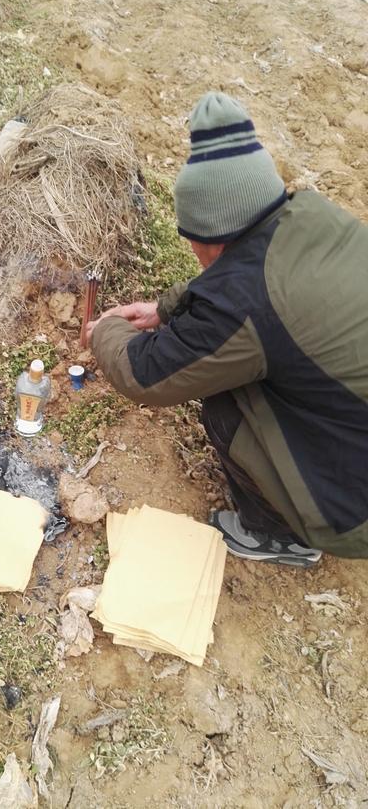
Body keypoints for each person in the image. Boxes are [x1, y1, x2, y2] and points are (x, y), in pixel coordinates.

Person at [87, 91, 368, 568]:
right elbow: (246, 282)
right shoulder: (311, 217)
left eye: (194, 242)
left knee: (224, 403)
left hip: (354, 513)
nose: (196, 254)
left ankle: (283, 537)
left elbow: (146, 373)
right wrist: (164, 308)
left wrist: (104, 331)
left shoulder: (243, 301)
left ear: (213, 238)